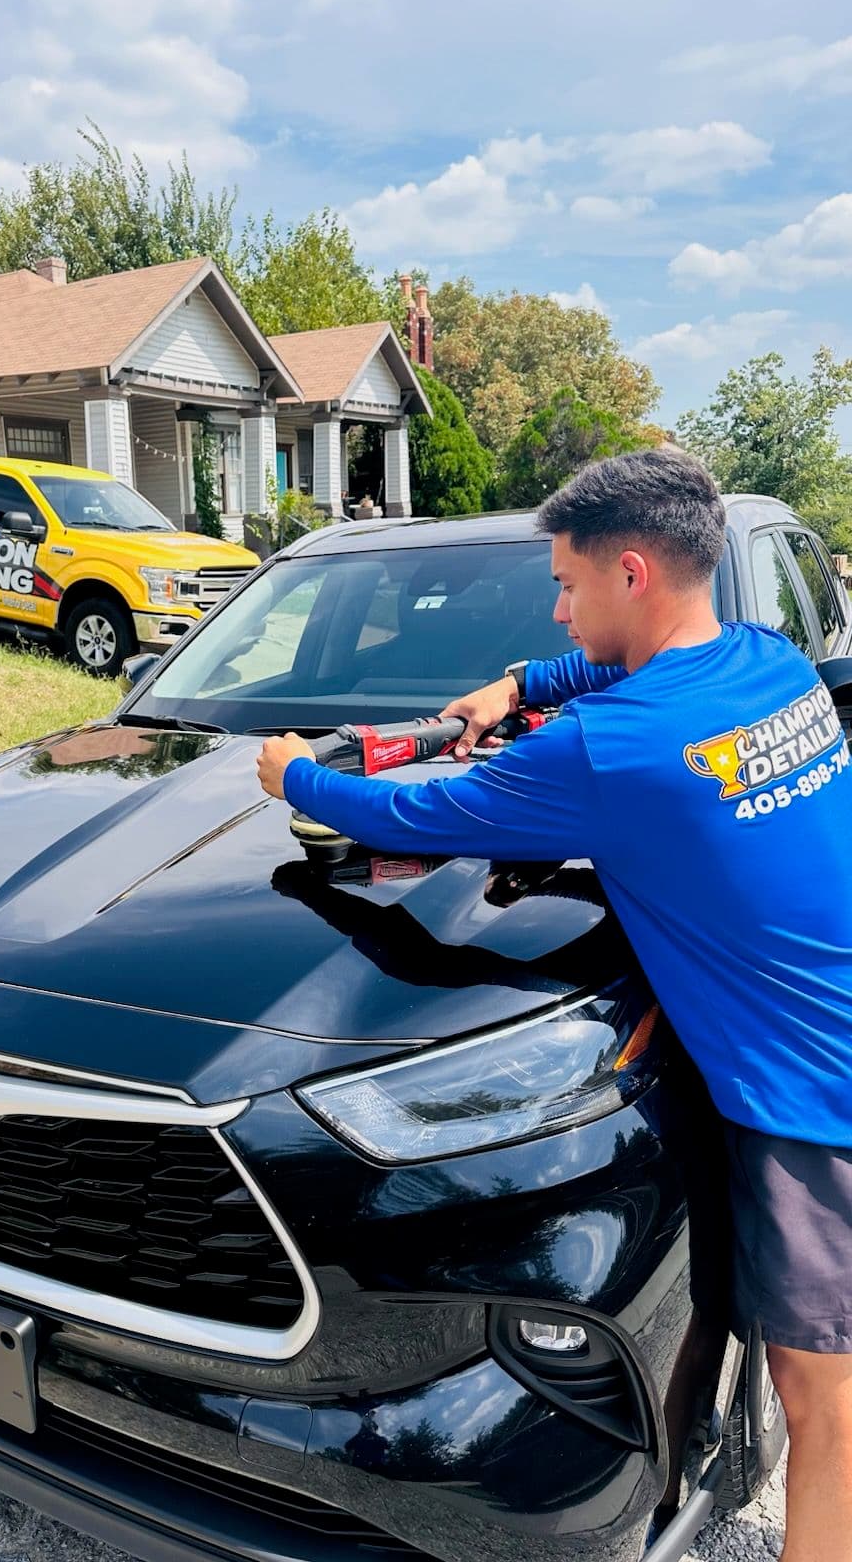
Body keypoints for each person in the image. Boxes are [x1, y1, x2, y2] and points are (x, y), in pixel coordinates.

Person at [256, 447, 852, 1562]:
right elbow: (621, 679)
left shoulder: (617, 752)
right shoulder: (769, 662)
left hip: (815, 1108)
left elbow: (422, 814)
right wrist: (523, 684)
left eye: (569, 585)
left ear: (632, 572)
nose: (557, 604)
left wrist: (293, 773)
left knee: (825, 1408)